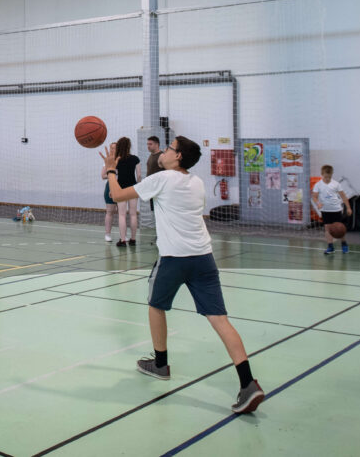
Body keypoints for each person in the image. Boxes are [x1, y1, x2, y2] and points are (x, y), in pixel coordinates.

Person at [102, 136, 265, 415]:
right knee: (220, 319)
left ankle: (160, 364)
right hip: (204, 258)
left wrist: (110, 169)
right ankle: (248, 382)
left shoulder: (162, 179)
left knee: (155, 305)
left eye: (169, 148)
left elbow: (116, 196)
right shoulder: (197, 182)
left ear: (177, 156)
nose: (164, 151)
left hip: (174, 258)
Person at [311, 164, 352, 255]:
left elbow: (343, 196)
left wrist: (348, 207)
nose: (327, 178)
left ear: (332, 175)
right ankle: (330, 246)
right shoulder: (318, 185)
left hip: (336, 210)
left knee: (339, 228)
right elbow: (314, 197)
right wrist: (318, 203)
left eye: (329, 177)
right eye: (326, 177)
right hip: (325, 210)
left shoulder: (336, 184)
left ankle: (344, 244)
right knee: (327, 228)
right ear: (322, 174)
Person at [114, 137, 142, 247]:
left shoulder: (116, 160)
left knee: (121, 215)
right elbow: (139, 175)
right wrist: (138, 187)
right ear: (129, 146)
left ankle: (122, 240)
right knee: (133, 214)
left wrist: (113, 190)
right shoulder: (135, 159)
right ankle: (133, 239)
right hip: (133, 188)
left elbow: (114, 177)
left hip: (120, 189)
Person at [101, 142, 118, 242]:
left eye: (114, 148)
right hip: (110, 186)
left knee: (122, 212)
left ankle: (123, 235)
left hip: (122, 186)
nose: (112, 150)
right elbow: (103, 176)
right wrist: (112, 173)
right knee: (110, 211)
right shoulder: (107, 161)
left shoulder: (122, 160)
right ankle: (107, 234)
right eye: (111, 148)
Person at [146, 136, 164, 213]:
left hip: (159, 189)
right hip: (152, 188)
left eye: (150, 144)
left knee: (161, 211)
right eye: (147, 144)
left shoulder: (162, 156)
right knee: (154, 211)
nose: (148, 146)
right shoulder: (151, 155)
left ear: (157, 144)